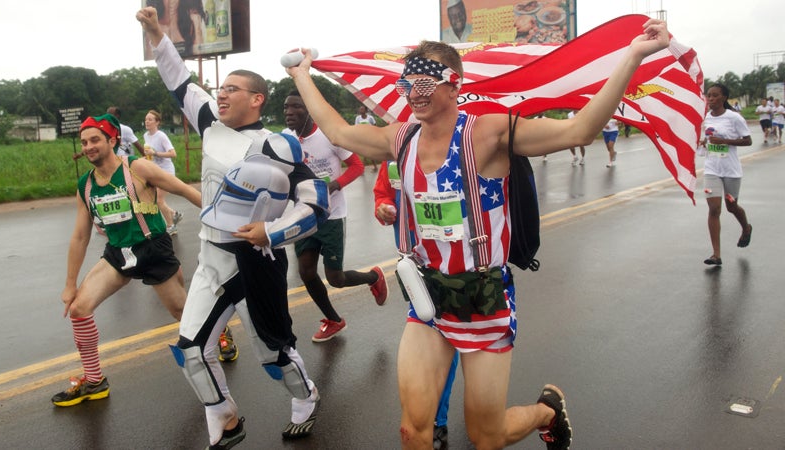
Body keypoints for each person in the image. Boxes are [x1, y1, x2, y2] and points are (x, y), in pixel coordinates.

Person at [287, 18, 672, 449]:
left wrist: (633, 55)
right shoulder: (402, 138)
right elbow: (339, 132)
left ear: (454, 85)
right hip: (428, 300)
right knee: (412, 430)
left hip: (483, 301)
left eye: (426, 83)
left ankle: (547, 410)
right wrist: (302, 73)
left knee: (486, 436)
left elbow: (578, 131)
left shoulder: (487, 133)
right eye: (406, 83)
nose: (414, 93)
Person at [138, 7, 328, 448]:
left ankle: (306, 397)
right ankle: (225, 418)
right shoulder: (209, 122)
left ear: (257, 98)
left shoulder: (274, 144)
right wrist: (156, 33)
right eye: (220, 89)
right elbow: (179, 80)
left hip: (253, 260)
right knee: (191, 349)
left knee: (271, 352)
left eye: (232, 89)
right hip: (210, 256)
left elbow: (314, 201)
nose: (220, 95)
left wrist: (273, 234)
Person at [52, 113, 202, 407]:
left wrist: (219, 218)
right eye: (84, 142)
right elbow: (80, 237)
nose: (88, 147)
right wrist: (70, 285)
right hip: (118, 254)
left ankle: (219, 333)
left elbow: (182, 189)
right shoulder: (85, 185)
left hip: (152, 248)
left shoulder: (137, 167)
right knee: (79, 309)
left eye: (95, 140)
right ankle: (94, 381)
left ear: (112, 140)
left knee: (182, 312)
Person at [283, 91, 389, 342]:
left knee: (336, 279)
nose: (288, 112)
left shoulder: (329, 136)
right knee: (306, 272)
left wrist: (335, 185)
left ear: (309, 109)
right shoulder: (286, 140)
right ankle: (333, 319)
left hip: (331, 215)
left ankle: (373, 276)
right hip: (303, 215)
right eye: (286, 108)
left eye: (296, 107)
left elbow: (357, 166)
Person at [374, 160, 459, 450]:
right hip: (413, 264)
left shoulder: (456, 149)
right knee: (432, 332)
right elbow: (382, 194)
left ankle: (437, 418)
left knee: (446, 335)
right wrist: (383, 209)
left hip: (454, 263)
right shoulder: (394, 157)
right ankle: (429, 418)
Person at [700, 83, 753, 266]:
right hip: (711, 170)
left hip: (730, 170)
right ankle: (716, 254)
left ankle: (746, 228)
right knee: (714, 209)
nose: (711, 99)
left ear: (724, 98)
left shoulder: (734, 118)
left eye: (715, 96)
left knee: (731, 206)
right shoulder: (706, 118)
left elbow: (748, 141)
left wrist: (724, 141)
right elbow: (706, 139)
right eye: (709, 95)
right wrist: (704, 143)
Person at [142, 109, 182, 235]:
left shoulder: (161, 136)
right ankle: (174, 214)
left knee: (159, 200)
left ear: (157, 122)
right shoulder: (145, 136)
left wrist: (155, 153)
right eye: (146, 119)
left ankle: (171, 226)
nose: (147, 122)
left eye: (150, 119)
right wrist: (144, 159)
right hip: (154, 171)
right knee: (155, 199)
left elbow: (173, 154)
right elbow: (150, 155)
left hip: (166, 171)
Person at [354, 106, 379, 171]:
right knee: (367, 152)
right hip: (362, 137)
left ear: (366, 111)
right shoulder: (358, 118)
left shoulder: (370, 118)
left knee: (367, 152)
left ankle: (362, 169)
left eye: (362, 109)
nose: (360, 110)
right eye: (360, 109)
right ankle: (374, 167)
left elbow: (375, 125)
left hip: (370, 137)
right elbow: (356, 127)